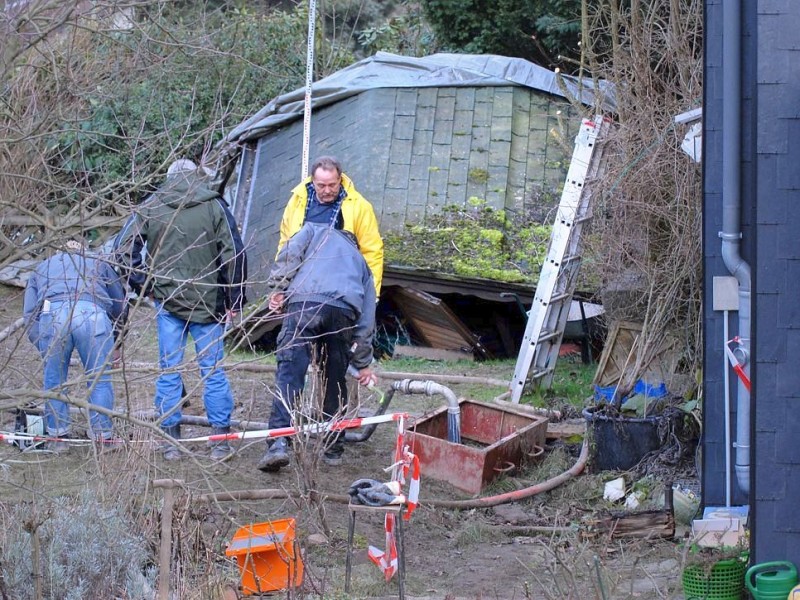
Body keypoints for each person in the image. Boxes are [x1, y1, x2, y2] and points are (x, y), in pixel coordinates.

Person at [115, 159, 248, 461]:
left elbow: (122, 250)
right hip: (209, 303)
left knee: (169, 371)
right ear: (196, 177)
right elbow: (235, 254)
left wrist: (144, 285)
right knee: (213, 372)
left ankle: (169, 441)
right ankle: (220, 441)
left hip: (168, 300)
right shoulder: (215, 206)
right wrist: (234, 299)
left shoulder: (152, 205)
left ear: (169, 177)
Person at [258, 222, 377, 473]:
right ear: (354, 241)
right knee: (334, 380)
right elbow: (367, 321)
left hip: (305, 303)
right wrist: (363, 363)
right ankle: (333, 446)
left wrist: (280, 287)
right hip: (343, 311)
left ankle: (278, 443)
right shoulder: (362, 264)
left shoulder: (313, 231)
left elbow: (291, 251)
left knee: (290, 375)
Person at [23, 239, 127, 453]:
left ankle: (57, 438)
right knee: (99, 378)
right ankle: (103, 439)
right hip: (93, 314)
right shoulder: (98, 263)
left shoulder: (42, 267)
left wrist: (42, 345)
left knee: (54, 380)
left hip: (53, 316)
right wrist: (117, 342)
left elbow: (29, 314)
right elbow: (119, 305)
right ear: (83, 251)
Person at [278, 155, 384, 297]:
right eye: (321, 185)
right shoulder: (297, 202)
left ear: (340, 179)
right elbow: (286, 245)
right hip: (301, 284)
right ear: (313, 181)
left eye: (332, 185)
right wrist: (280, 287)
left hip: (340, 284)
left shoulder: (359, 207)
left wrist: (371, 295)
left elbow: (372, 252)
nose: (327, 191)